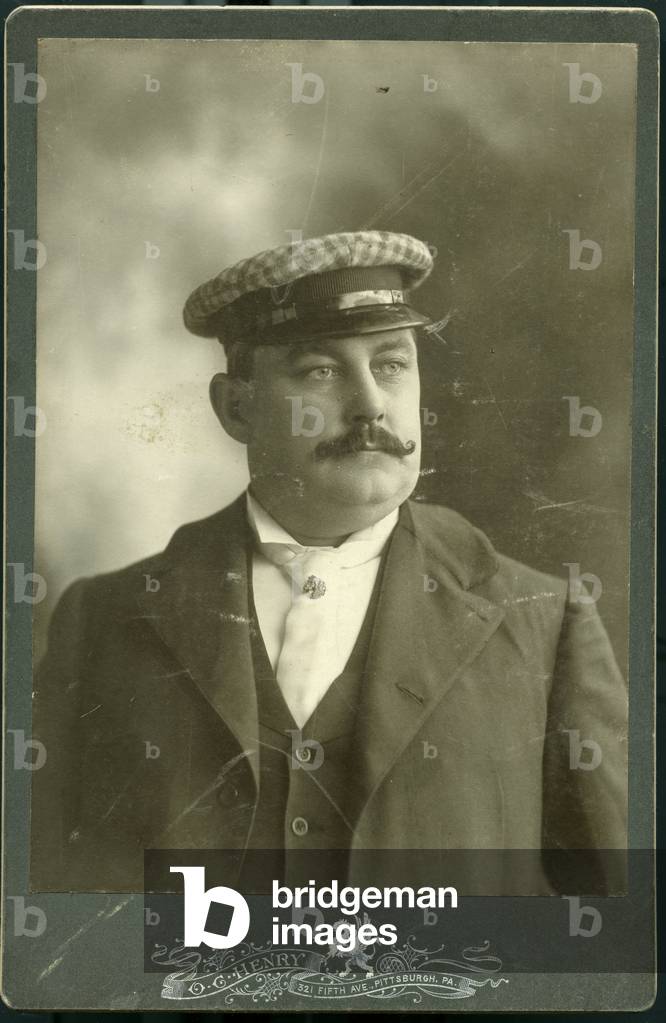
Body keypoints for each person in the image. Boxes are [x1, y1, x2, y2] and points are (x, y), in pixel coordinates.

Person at [30, 231, 627, 895]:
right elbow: (48, 920)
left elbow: (616, 948)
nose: (371, 404)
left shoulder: (546, 623)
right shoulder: (103, 622)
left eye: (392, 364)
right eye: (320, 371)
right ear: (237, 406)